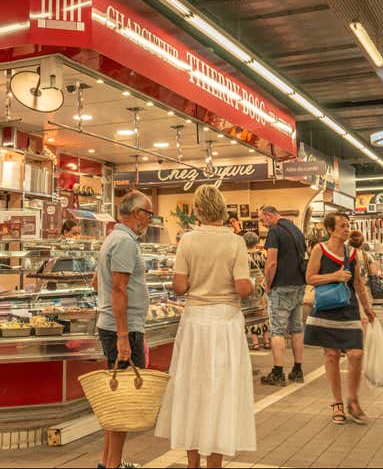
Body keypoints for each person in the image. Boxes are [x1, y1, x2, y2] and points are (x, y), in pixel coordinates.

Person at [155, 186, 255, 469]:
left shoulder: (187, 240)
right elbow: (242, 287)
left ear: (198, 210)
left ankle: (191, 463)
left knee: (192, 389)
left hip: (195, 321)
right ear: (223, 209)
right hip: (225, 322)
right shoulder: (236, 243)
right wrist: (253, 284)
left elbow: (179, 285)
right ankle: (215, 463)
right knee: (221, 392)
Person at [96, 190, 155, 469]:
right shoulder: (125, 242)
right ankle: (114, 465)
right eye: (149, 214)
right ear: (137, 214)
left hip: (118, 326)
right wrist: (122, 337)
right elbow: (118, 290)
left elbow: (98, 282)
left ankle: (108, 462)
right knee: (124, 403)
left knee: (116, 400)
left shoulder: (114, 238)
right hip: (123, 329)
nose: (150, 220)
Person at [304, 212, 376, 425]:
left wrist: (367, 307)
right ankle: (337, 403)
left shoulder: (353, 253)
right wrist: (334, 276)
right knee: (331, 355)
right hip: (326, 307)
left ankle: (353, 398)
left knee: (356, 353)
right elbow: (309, 278)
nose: (346, 229)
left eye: (347, 225)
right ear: (330, 229)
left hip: (349, 307)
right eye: (342, 226)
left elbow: (358, 284)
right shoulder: (319, 250)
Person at [258, 205, 307, 386]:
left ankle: (278, 372)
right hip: (299, 285)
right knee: (296, 328)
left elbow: (271, 263)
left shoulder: (275, 232)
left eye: (262, 220)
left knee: (277, 330)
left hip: (282, 287)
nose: (262, 224)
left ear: (269, 215)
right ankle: (297, 369)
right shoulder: (296, 230)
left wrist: (268, 284)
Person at [244, 231, 270, 351]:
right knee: (263, 315)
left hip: (249, 288)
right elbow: (267, 271)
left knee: (251, 315)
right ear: (257, 242)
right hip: (262, 288)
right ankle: (266, 341)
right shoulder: (263, 255)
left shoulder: (243, 257)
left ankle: (255, 343)